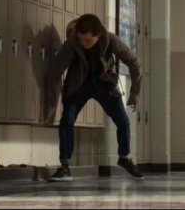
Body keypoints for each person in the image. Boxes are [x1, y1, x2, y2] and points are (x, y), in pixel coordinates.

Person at [44, 14, 143, 182]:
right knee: (66, 120)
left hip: (104, 84)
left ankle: (124, 158)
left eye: (89, 41)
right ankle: (64, 167)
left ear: (98, 35)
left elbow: (134, 62)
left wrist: (134, 94)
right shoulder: (72, 43)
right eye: (81, 39)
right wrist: (51, 105)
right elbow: (54, 72)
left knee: (123, 120)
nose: (84, 44)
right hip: (78, 85)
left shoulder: (110, 40)